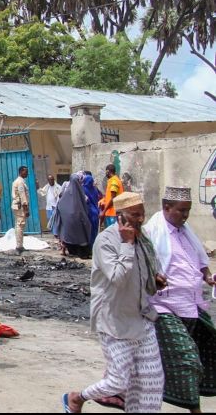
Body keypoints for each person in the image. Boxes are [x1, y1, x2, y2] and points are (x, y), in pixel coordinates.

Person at [63, 192, 166, 413]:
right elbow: (118, 278)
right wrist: (127, 244)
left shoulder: (143, 237)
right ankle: (77, 398)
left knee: (152, 384)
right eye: (135, 215)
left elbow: (144, 269)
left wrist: (154, 278)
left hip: (142, 318)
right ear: (120, 217)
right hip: (114, 323)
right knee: (118, 381)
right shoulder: (106, 241)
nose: (140, 219)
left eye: (142, 214)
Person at [145, 187, 216, 413]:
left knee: (205, 352)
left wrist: (208, 276)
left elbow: (199, 260)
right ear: (167, 208)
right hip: (164, 306)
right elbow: (143, 265)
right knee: (187, 358)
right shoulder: (152, 232)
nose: (185, 216)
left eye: (188, 211)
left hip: (191, 304)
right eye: (181, 211)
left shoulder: (186, 232)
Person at [51, 174, 93, 259]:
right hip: (80, 219)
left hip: (72, 220)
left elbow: (60, 205)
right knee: (82, 235)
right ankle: (81, 253)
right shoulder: (80, 192)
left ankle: (73, 251)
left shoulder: (68, 192)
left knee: (71, 235)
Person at [11, 166, 30, 254]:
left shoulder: (19, 181)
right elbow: (23, 196)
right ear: (21, 172)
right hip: (20, 206)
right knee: (20, 225)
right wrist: (26, 209)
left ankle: (20, 245)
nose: (27, 173)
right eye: (25, 172)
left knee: (18, 225)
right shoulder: (20, 182)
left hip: (18, 206)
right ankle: (19, 246)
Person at [100, 164, 124, 228]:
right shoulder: (113, 180)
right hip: (112, 212)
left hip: (113, 213)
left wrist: (104, 211)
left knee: (112, 234)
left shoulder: (114, 181)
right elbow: (109, 196)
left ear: (108, 171)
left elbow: (113, 198)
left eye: (106, 172)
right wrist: (103, 200)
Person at [83, 172, 101, 247]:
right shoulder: (95, 189)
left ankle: (90, 247)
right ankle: (94, 246)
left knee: (88, 231)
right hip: (96, 212)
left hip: (89, 212)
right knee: (95, 230)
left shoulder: (83, 189)